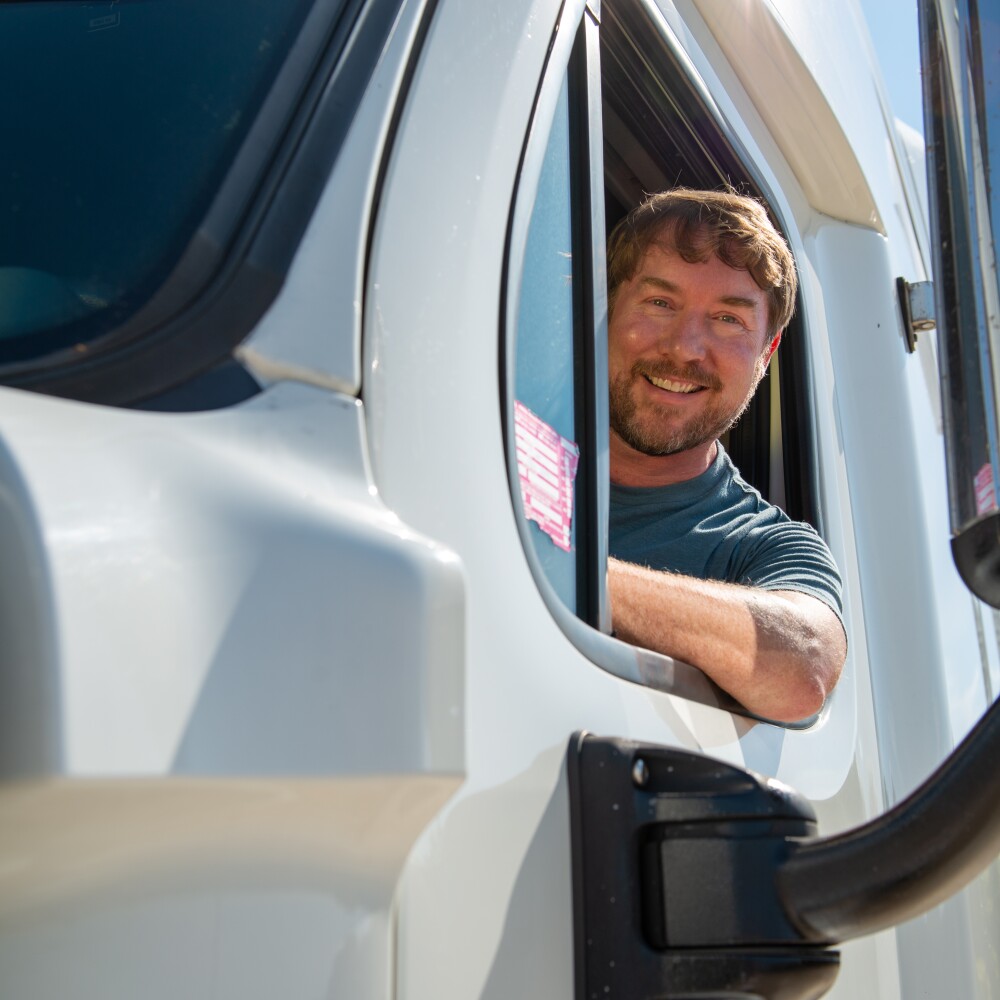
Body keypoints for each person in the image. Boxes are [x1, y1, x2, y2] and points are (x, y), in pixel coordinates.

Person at [606, 188, 846, 723]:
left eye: (727, 319)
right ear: (607, 307)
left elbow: (805, 666)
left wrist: (560, 571)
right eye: (660, 303)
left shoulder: (764, 544)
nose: (684, 348)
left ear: (766, 354)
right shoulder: (498, 443)